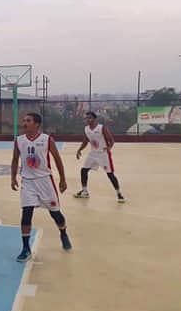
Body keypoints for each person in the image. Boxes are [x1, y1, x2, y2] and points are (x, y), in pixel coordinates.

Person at [11, 113, 71, 263]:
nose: (24, 123)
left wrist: (63, 179)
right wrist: (13, 177)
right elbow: (14, 160)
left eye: (28, 121)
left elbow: (57, 160)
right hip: (28, 182)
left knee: (55, 214)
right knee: (26, 213)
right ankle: (25, 248)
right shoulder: (19, 140)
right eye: (24, 120)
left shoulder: (46, 139)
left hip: (45, 181)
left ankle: (63, 232)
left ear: (37, 124)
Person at [74, 112, 125, 203]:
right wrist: (79, 150)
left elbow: (111, 140)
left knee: (110, 174)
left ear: (94, 119)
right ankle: (85, 191)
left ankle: (119, 193)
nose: (88, 120)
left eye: (90, 118)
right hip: (93, 154)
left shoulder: (101, 128)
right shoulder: (86, 129)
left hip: (103, 154)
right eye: (86, 118)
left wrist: (109, 148)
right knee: (83, 170)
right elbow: (86, 141)